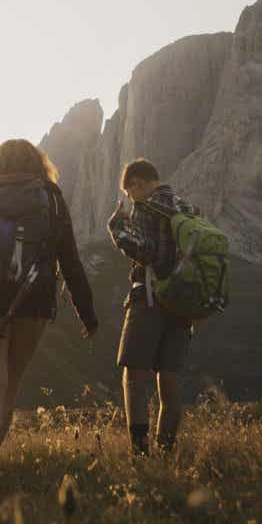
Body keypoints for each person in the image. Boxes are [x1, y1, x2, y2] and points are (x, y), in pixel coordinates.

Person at [0, 139, 97, 448]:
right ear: (39, 165)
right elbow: (71, 261)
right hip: (33, 299)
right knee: (10, 384)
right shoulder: (51, 199)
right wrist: (86, 312)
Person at [107, 158, 196, 456]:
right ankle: (167, 450)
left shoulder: (148, 207)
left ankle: (141, 452)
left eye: (130, 193)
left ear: (139, 183)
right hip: (183, 303)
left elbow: (146, 252)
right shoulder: (186, 207)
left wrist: (118, 228)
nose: (131, 199)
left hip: (150, 299)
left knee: (134, 376)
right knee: (169, 379)